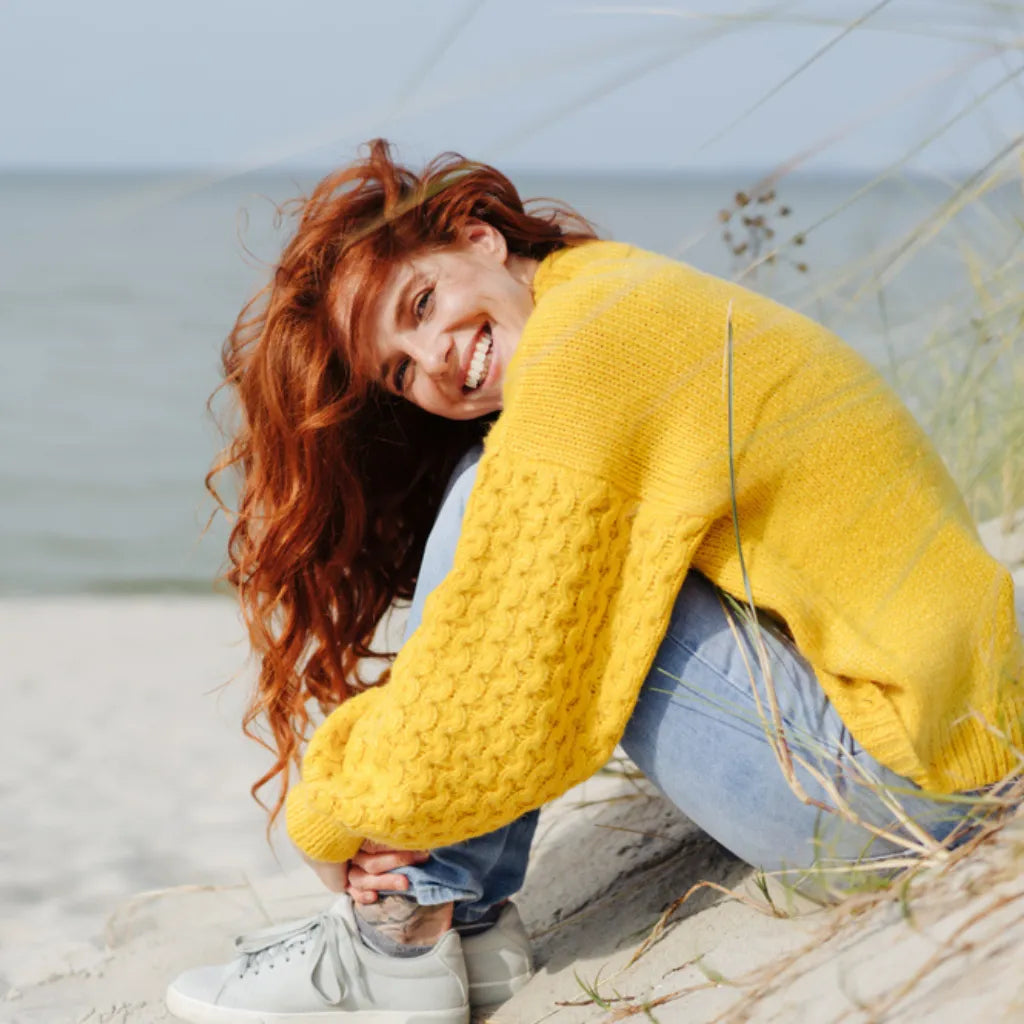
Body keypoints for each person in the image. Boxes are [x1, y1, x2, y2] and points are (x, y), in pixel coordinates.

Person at [166, 140, 1023, 1024]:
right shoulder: (609, 294)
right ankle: (460, 925)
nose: (437, 360)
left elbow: (501, 688)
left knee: (503, 539)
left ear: (481, 238)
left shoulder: (590, 349)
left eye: (422, 304)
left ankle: (403, 938)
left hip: (900, 800)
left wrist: (332, 811)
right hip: (959, 749)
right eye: (403, 370)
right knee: (501, 512)